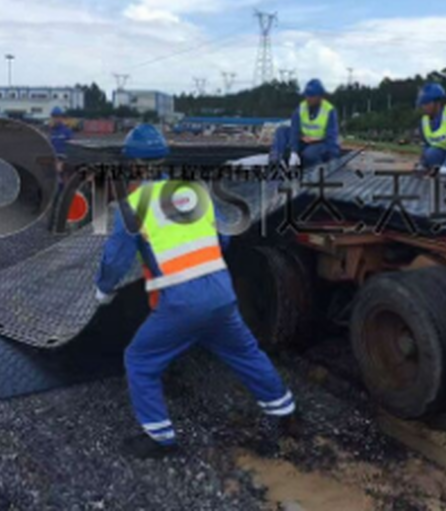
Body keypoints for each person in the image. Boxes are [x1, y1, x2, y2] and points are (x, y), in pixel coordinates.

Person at [95, 124, 297, 460]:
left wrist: (103, 292)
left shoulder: (133, 206)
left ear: (132, 165)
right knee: (246, 353)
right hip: (221, 294)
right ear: (162, 159)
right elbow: (224, 238)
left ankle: (159, 438)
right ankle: (286, 413)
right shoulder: (195, 191)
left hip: (182, 304)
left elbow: (115, 261)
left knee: (140, 359)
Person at [271, 79, 340, 168]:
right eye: (307, 96)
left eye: (311, 96)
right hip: (304, 140)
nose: (308, 99)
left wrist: (333, 158)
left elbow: (332, 136)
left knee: (309, 154)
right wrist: (294, 151)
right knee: (281, 131)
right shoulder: (301, 108)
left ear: (319, 97)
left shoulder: (329, 111)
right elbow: (294, 130)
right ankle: (276, 159)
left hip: (321, 144)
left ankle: (317, 170)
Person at [417, 83, 446, 173]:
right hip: (440, 154)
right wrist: (422, 163)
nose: (423, 107)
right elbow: (427, 145)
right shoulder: (425, 122)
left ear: (437, 103)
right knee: (431, 153)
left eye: (426, 103)